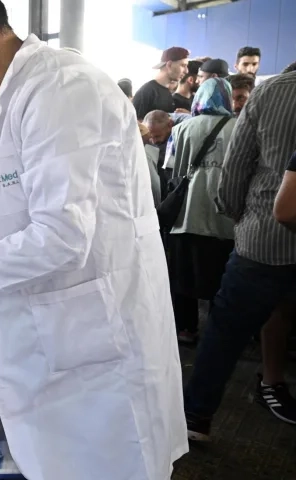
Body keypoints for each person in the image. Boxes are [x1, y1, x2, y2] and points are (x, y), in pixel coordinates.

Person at [0, 2, 188, 479]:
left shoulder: (60, 89)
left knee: (104, 463)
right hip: (45, 345)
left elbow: (61, 236)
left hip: (93, 347)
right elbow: (15, 216)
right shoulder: (5, 103)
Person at [183, 66, 296, 441]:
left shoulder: (271, 92)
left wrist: (239, 216)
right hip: (276, 234)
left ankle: (196, 416)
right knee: (279, 314)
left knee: (226, 329)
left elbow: (236, 165)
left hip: (262, 237)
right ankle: (272, 383)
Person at [164, 78, 237, 345]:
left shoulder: (183, 128)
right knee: (223, 280)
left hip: (187, 217)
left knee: (184, 279)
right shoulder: (239, 128)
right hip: (226, 220)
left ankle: (186, 328)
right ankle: (220, 332)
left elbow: (171, 169)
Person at [133, 46, 189, 119]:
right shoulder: (147, 92)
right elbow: (137, 124)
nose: (186, 71)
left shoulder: (166, 91)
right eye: (183, 65)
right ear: (169, 65)